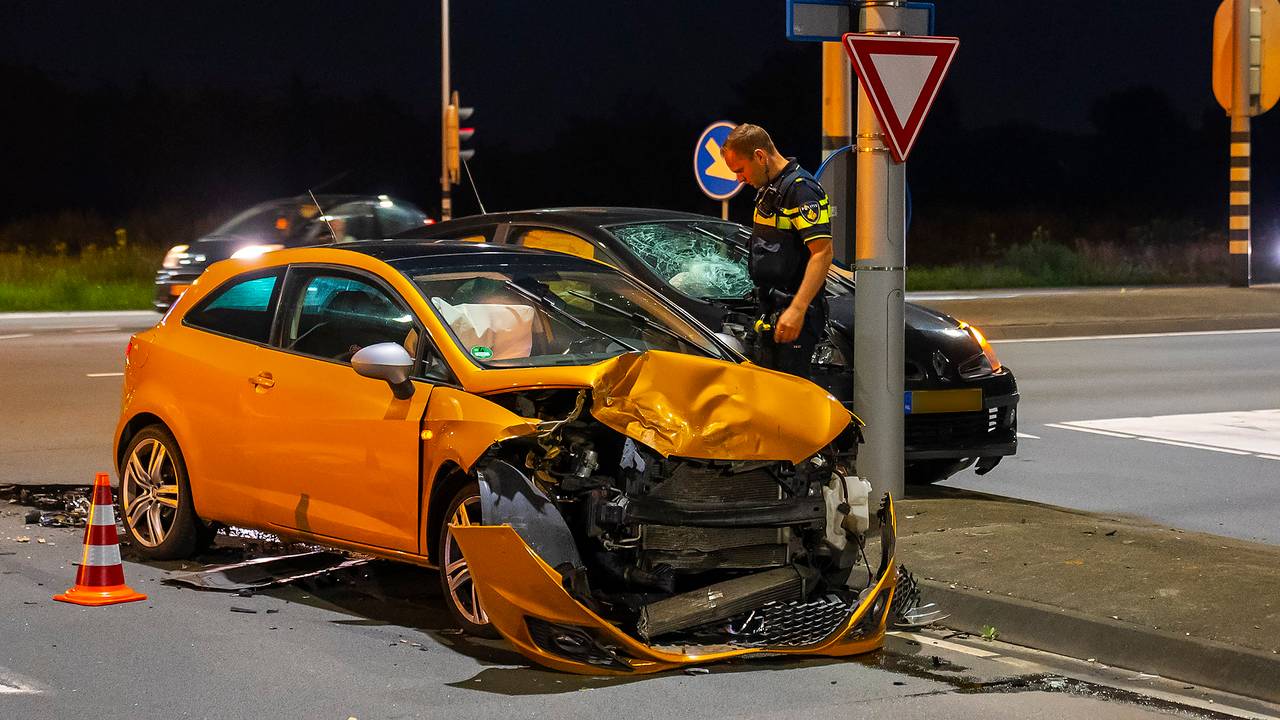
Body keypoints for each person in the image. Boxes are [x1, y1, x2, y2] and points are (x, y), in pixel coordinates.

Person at [720, 124, 833, 380]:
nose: (739, 179)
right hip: (772, 311)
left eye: (740, 170)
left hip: (795, 316)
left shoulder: (801, 190)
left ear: (760, 156)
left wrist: (797, 309)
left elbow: (823, 253)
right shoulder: (770, 188)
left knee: (793, 395)